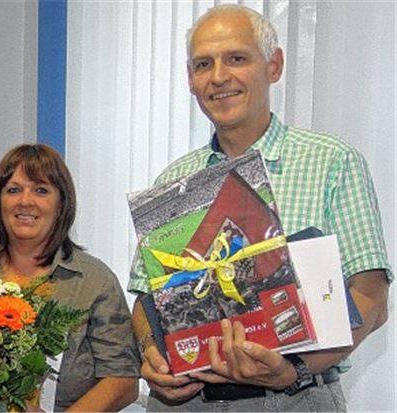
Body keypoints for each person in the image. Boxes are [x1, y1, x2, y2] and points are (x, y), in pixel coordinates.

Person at [128, 4, 392, 411]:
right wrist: (152, 355)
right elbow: (146, 302)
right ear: (190, 81)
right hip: (186, 401)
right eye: (203, 64)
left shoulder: (333, 162)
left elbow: (371, 301)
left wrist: (296, 370)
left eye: (236, 58)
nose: (218, 77)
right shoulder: (173, 180)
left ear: (274, 65)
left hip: (295, 398)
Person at [0, 144, 140, 411]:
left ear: (61, 203)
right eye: (13, 190)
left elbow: (123, 380)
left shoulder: (94, 281)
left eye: (41, 190)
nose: (25, 201)